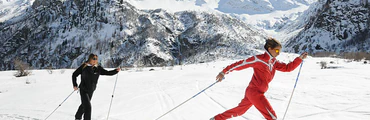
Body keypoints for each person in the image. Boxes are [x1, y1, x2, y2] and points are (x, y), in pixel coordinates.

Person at [211, 38, 308, 120]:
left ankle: (216, 119)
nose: (278, 53)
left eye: (280, 51)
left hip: (253, 92)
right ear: (270, 49)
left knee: (240, 111)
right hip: (255, 92)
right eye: (277, 50)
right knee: (272, 117)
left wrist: (299, 59)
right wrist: (223, 72)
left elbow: (288, 68)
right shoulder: (258, 59)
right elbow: (240, 64)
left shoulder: (274, 62)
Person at [72, 54, 121, 120]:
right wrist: (75, 85)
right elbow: (74, 74)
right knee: (88, 107)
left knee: (84, 105)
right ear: (90, 59)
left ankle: (77, 117)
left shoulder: (98, 68)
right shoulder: (84, 67)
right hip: (83, 90)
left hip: (91, 90)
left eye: (96, 59)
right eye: (93, 59)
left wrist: (115, 71)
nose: (95, 60)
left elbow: (107, 72)